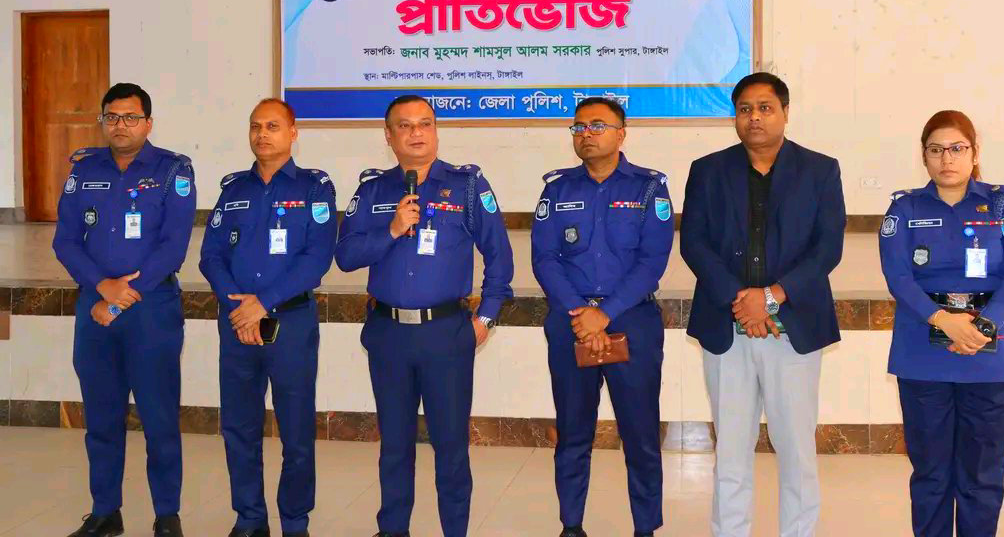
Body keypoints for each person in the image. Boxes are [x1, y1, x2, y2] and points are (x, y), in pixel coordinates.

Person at [335, 95, 514, 537]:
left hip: (446, 334)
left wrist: (486, 319)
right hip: (389, 334)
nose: (416, 133)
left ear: (435, 131)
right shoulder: (373, 189)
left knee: (450, 448)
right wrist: (392, 229)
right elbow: (346, 256)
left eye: (425, 124)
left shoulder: (467, 186)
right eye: (405, 125)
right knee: (395, 447)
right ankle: (392, 529)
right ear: (388, 136)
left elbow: (500, 257)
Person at [681, 72, 846, 537]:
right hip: (726, 326)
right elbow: (694, 243)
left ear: (785, 113)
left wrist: (771, 297)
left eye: (765, 107)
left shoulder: (820, 170)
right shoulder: (707, 170)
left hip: (793, 328)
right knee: (731, 450)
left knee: (796, 450)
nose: (754, 117)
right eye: (745, 109)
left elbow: (827, 248)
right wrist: (743, 301)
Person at [879, 109, 1004, 537]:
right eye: (936, 150)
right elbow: (898, 277)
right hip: (923, 354)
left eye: (957, 148)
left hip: (989, 354)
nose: (946, 158)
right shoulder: (904, 208)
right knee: (930, 474)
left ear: (974, 152)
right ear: (924, 156)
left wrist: (982, 328)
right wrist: (943, 320)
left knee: (981, 475)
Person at [52, 82, 196, 537]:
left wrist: (121, 297)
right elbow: (65, 240)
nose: (120, 125)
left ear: (148, 124)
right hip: (95, 308)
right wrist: (101, 287)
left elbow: (173, 246)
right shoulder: (84, 170)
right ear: (103, 122)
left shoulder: (173, 170)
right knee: (101, 419)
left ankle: (167, 515)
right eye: (112, 117)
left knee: (159, 420)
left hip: (150, 309)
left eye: (131, 117)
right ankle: (105, 512)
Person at [531, 97, 675, 537]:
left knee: (640, 435)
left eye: (597, 125)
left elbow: (652, 261)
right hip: (571, 320)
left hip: (632, 319)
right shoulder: (557, 189)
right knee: (573, 433)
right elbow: (544, 259)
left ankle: (645, 527)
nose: (586, 134)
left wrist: (605, 314)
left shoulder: (649, 189)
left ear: (621, 133)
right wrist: (583, 313)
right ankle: (571, 525)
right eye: (578, 127)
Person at [199, 98, 337, 537]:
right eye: (256, 126)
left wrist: (263, 303)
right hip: (237, 325)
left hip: (290, 325)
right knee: (238, 428)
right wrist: (240, 309)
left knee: (296, 432)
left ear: (293, 133)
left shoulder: (315, 189)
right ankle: (250, 519)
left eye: (273, 126)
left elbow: (317, 259)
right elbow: (210, 256)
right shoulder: (233, 189)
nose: (262, 134)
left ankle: (295, 522)